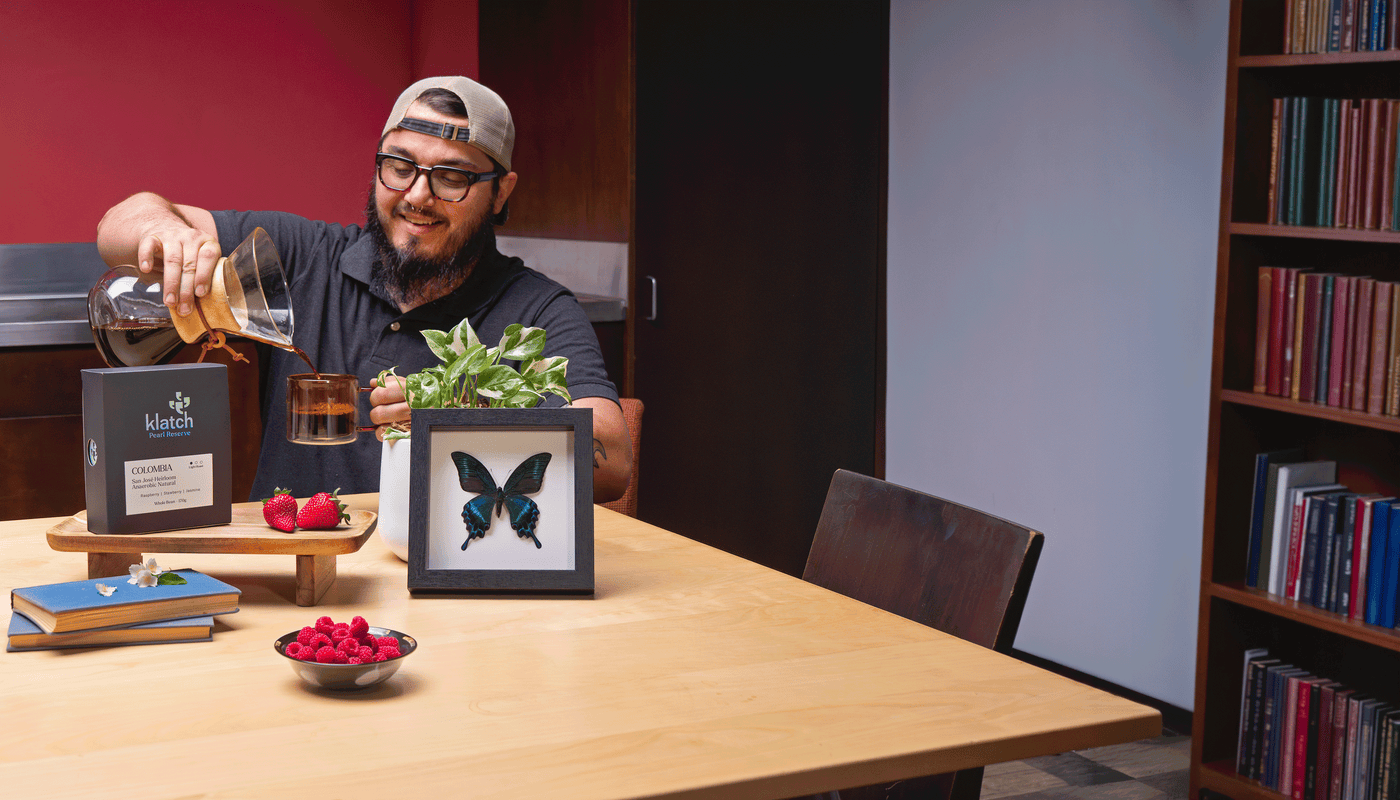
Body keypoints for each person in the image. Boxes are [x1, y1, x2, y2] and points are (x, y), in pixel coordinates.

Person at [96, 76, 632, 503]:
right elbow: (119, 225)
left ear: (499, 193)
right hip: (294, 571)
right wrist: (165, 233)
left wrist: (461, 419)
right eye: (399, 166)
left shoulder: (535, 308)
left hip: (443, 581)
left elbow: (613, 462)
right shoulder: (299, 256)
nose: (416, 196)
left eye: (451, 177)